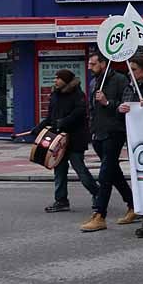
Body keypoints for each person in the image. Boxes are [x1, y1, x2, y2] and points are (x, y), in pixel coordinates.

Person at [80, 54, 140, 233]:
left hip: (114, 132)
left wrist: (107, 102)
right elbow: (91, 108)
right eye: (89, 63)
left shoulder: (121, 80)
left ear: (104, 64)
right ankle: (133, 205)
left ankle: (100, 214)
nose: (90, 66)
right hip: (97, 133)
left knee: (105, 174)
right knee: (114, 173)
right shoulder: (93, 82)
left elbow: (128, 105)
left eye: (93, 63)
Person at [39, 69, 99, 213]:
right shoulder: (54, 95)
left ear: (66, 80)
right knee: (59, 170)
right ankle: (61, 201)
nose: (56, 81)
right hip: (58, 139)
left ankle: (97, 193)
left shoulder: (78, 95)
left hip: (75, 139)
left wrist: (62, 122)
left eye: (58, 78)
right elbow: (50, 118)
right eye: (55, 78)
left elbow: (79, 114)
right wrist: (39, 128)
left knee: (80, 169)